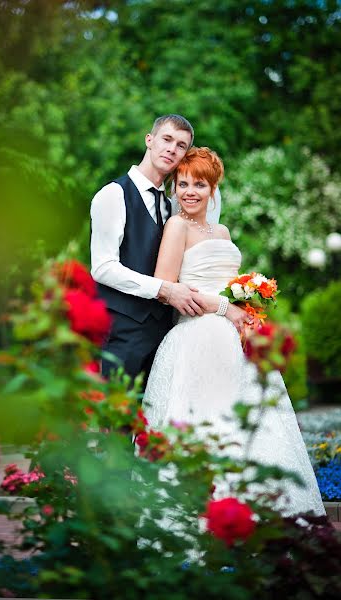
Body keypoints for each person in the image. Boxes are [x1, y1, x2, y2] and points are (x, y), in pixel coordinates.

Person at [142, 146, 325, 516]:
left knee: (244, 421)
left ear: (213, 189)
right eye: (182, 184)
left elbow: (224, 282)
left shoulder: (220, 230)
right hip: (197, 336)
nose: (190, 192)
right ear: (174, 188)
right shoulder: (176, 226)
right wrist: (228, 308)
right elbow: (166, 287)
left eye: (199, 185)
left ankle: (251, 507)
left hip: (232, 337)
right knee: (208, 421)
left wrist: (248, 304)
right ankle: (204, 508)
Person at [90, 115, 250, 384]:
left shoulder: (172, 207)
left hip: (166, 336)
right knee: (114, 422)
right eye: (166, 139)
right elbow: (103, 267)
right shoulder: (113, 194)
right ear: (149, 140)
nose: (171, 149)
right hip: (122, 335)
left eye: (180, 145)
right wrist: (164, 289)